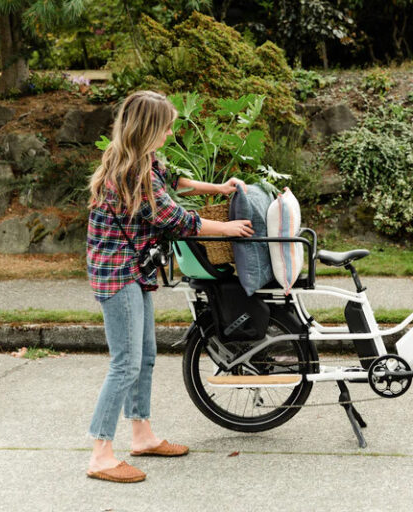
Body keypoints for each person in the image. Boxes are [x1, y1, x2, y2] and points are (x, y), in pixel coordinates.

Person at [85, 90, 253, 483]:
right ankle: (100, 453)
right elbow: (178, 220)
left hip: (133, 269)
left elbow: (174, 180)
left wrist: (219, 189)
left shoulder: (144, 161)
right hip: (118, 273)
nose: (170, 131)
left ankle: (141, 435)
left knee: (144, 356)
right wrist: (227, 228)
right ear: (148, 129)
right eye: (165, 125)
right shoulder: (133, 172)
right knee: (124, 363)